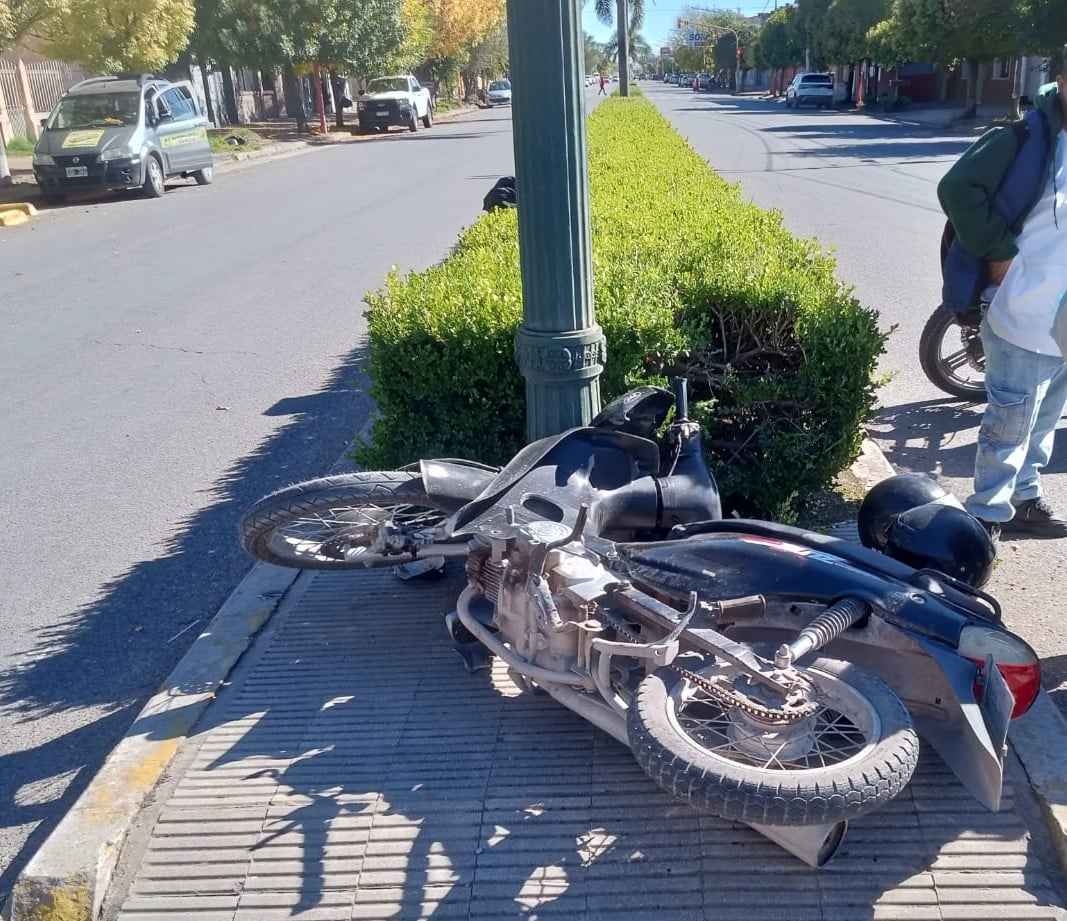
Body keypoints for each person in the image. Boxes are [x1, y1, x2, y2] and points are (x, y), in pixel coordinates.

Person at [937, 50, 1067, 540]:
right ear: (1062, 80)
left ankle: (1025, 497)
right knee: (1010, 418)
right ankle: (986, 515)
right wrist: (997, 248)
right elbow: (958, 188)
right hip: (1022, 303)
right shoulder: (1025, 138)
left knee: (1048, 413)